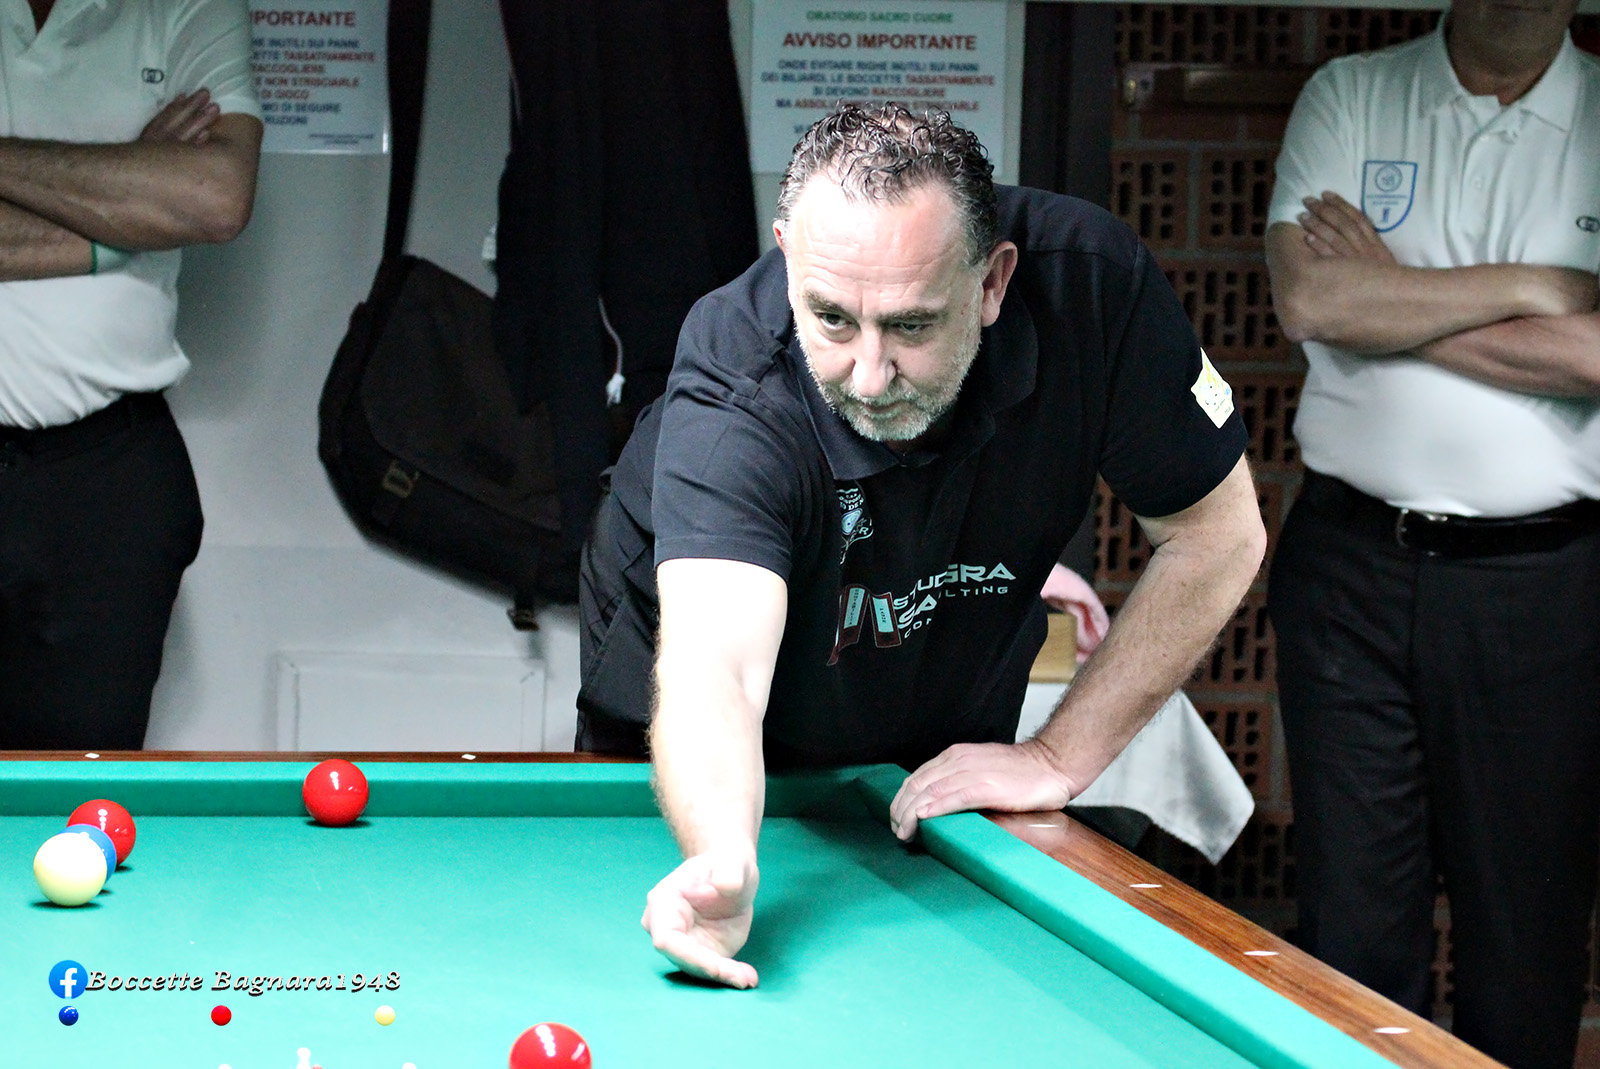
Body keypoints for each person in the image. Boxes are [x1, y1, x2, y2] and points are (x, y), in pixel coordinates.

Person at [578, 103, 1266, 989]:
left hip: (932, 694)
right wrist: (721, 856)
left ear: (992, 282)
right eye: (832, 319)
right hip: (691, 722)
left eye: (910, 326)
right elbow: (720, 666)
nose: (868, 376)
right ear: (787, 256)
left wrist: (1057, 757)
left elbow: (1218, 533)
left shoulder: (1091, 291)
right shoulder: (738, 381)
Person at [1263, 1, 1599, 1064]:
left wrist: (1391, 301)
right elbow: (1310, 299)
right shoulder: (1353, 95)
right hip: (1350, 573)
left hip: (1546, 588)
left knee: (1527, 937)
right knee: (1351, 930)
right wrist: (1537, 290)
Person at [0, 0, 262, 749]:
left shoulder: (189, 8)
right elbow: (176, 204)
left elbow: (215, 197)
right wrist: (129, 208)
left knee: (81, 781)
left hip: (105, 481)